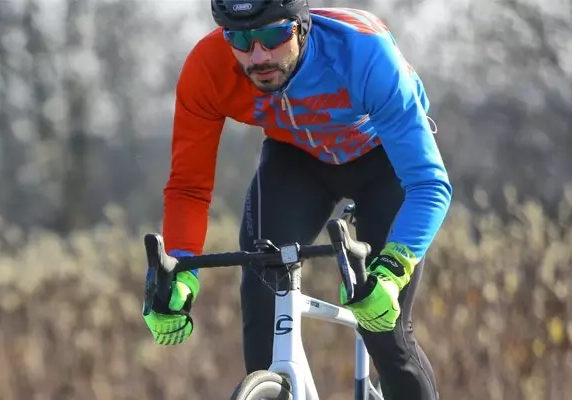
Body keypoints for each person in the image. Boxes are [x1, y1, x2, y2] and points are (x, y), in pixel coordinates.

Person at [140, 1, 452, 399]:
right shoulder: (208, 67)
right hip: (297, 159)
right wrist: (181, 271)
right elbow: (188, 187)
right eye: (240, 39)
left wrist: (392, 271)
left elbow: (429, 184)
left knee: (384, 328)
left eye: (273, 36)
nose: (258, 56)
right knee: (262, 303)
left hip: (383, 160)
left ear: (301, 27)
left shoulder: (363, 52)